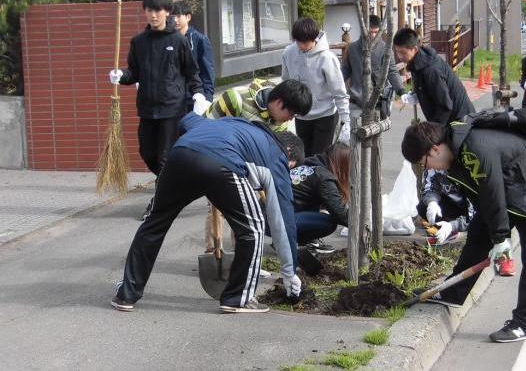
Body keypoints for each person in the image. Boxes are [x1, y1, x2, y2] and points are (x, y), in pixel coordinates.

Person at [111, 113, 301, 313]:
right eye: (292, 166)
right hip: (222, 165)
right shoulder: (276, 156)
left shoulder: (227, 123)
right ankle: (238, 299)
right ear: (289, 151)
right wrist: (289, 271)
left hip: (180, 156)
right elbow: (282, 218)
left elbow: (186, 120)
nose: (288, 171)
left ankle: (126, 294)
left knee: (154, 223)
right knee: (253, 229)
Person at [401, 119, 526, 343]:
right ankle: (453, 293)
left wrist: (501, 239)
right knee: (479, 235)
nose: (428, 168)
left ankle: (525, 323)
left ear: (434, 149)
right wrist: (496, 237)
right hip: (512, 185)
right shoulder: (455, 156)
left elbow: (492, 189)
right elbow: (481, 199)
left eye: (424, 162)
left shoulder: (472, 148)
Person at [108, 0, 205, 221]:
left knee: (163, 157)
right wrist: (120, 75)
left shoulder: (179, 41)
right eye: (149, 10)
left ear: (167, 12)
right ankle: (177, 184)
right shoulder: (139, 42)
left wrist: (199, 94)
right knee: (147, 152)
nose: (153, 15)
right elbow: (135, 73)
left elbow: (192, 72)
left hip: (172, 108)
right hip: (147, 108)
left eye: (158, 10)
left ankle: (158, 206)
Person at [202, 79, 312, 253]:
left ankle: (242, 256)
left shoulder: (280, 122)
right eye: (291, 113)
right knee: (218, 208)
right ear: (279, 102)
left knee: (247, 210)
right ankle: (213, 253)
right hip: (218, 160)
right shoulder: (235, 99)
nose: (291, 118)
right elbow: (203, 128)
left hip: (248, 168)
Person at [282, 17, 350, 155]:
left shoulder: (327, 58)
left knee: (320, 159)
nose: (301, 46)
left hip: (325, 115)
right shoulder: (288, 53)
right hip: (301, 115)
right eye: (298, 41)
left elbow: (339, 92)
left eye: (305, 42)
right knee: (303, 157)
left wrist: (345, 120)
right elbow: (286, 83)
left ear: (315, 39)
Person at [392, 27, 474, 124]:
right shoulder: (417, 63)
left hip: (459, 121)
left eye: (403, 52)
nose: (399, 56)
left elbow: (445, 106)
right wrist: (416, 94)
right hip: (447, 119)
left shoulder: (431, 70)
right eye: (397, 51)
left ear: (414, 49)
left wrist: (433, 132)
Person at [290, 142, 351, 268]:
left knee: (319, 211)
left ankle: (294, 240)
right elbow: (340, 213)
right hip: (280, 220)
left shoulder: (308, 163)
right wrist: (363, 224)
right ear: (341, 163)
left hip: (267, 213)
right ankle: (288, 241)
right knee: (329, 223)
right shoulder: (324, 178)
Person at [342, 14, 405, 119]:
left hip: (379, 99)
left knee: (375, 133)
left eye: (376, 32)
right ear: (363, 30)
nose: (372, 35)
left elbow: (392, 71)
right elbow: (346, 69)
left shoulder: (386, 49)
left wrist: (401, 90)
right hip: (356, 98)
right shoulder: (352, 48)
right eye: (370, 32)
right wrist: (333, 82)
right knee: (354, 132)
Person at [171, 2, 215, 108]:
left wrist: (207, 99)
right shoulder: (169, 40)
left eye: (178, 16)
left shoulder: (199, 40)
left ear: (188, 17)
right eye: (173, 16)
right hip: (173, 100)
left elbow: (208, 71)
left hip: (195, 98)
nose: (175, 20)